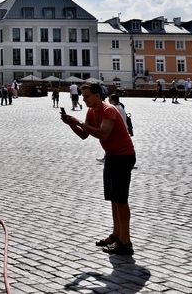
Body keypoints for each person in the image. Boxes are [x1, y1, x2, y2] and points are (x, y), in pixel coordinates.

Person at [61, 83, 136, 255]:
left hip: (123, 157)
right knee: (113, 198)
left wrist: (78, 121)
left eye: (86, 96)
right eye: (82, 96)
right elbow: (84, 135)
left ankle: (126, 242)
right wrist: (71, 124)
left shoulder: (108, 110)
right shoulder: (91, 111)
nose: (83, 99)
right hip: (111, 156)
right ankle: (117, 234)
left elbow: (103, 134)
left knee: (121, 200)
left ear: (97, 95)